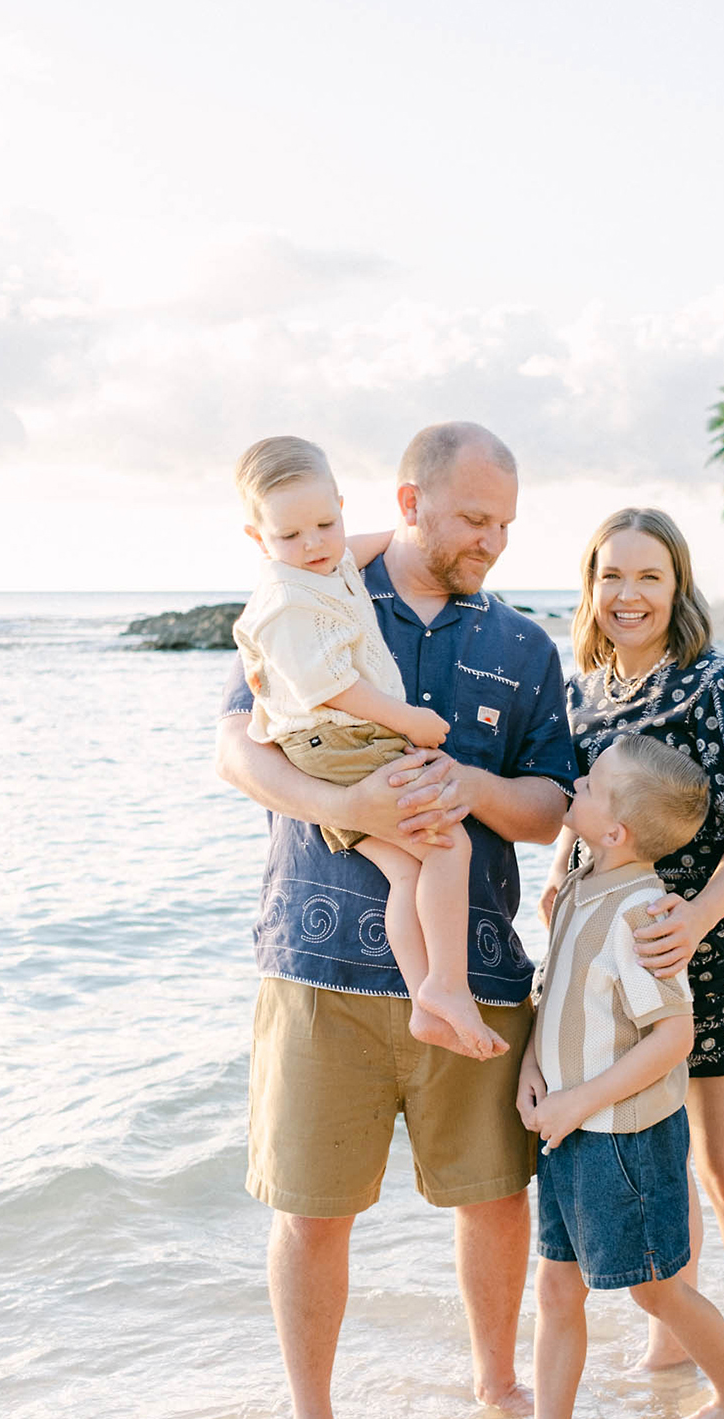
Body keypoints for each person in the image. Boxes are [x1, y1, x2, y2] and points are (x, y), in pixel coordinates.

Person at [216, 422, 577, 1419]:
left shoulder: (523, 645)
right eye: (473, 517)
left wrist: (468, 784)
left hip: (479, 965)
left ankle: (498, 1392)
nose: (493, 540)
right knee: (309, 1210)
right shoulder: (317, 582)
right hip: (317, 962)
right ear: (409, 504)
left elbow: (554, 807)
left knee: (497, 1198)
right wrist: (358, 809)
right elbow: (238, 751)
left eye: (506, 522)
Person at [540, 508, 724, 1392]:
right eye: (612, 576)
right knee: (656, 1160)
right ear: (591, 588)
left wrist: (699, 916)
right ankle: (677, 1345)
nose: (629, 595)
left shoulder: (720, 685)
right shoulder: (580, 695)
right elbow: (578, 804)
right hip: (618, 970)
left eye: (649, 578)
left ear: (678, 587)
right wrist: (562, 876)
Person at [517, 735, 724, 1419]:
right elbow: (554, 993)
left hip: (621, 1135)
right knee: (558, 1285)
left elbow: (672, 1036)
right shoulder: (580, 879)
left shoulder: (642, 915)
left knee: (656, 1289)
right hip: (567, 1124)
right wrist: (535, 1066)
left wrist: (580, 1100)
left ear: (617, 829)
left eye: (590, 787)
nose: (576, 786)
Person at [231, 434, 505, 1062]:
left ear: (339, 507)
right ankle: (450, 986)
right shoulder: (286, 599)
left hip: (334, 739)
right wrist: (411, 721)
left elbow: (361, 547)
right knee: (447, 842)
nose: (315, 545)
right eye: (291, 536)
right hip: (340, 737)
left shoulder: (327, 562)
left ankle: (425, 1001)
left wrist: (406, 533)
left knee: (409, 868)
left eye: (327, 523)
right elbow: (336, 688)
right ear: (258, 540)